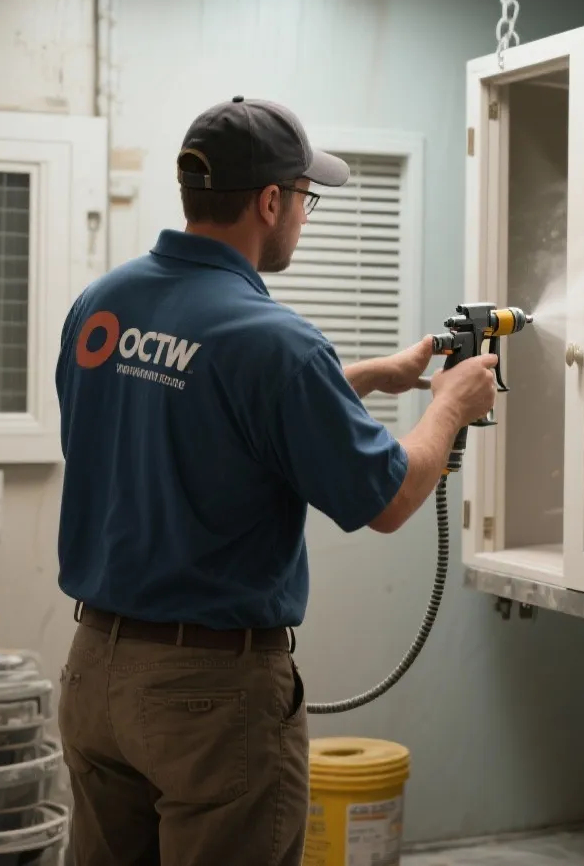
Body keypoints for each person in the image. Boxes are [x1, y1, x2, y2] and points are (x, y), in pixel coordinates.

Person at [51, 96, 501, 865]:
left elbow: (196, 410)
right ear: (270, 201)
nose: (303, 214)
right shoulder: (277, 343)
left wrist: (363, 376)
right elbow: (389, 499)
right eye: (304, 197)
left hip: (96, 674)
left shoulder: (104, 305)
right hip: (209, 697)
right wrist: (450, 409)